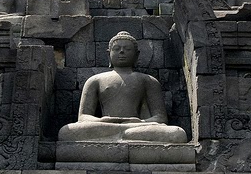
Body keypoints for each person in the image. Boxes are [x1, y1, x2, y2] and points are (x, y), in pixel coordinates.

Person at [58, 31, 187, 143]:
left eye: (127, 49)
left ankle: (122, 135)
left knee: (177, 133)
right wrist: (103, 121)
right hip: (105, 126)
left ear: (137, 55)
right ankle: (123, 135)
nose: (121, 51)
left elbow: (160, 118)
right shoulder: (95, 80)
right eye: (117, 48)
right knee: (66, 132)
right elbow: (83, 117)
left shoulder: (148, 80)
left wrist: (139, 123)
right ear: (109, 54)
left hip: (137, 127)